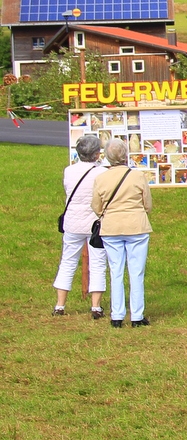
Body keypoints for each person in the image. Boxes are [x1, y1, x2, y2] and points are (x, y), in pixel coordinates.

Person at [91, 138, 153, 328]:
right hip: (136, 226)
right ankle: (137, 315)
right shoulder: (138, 176)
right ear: (126, 155)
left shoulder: (101, 178)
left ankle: (117, 315)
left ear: (107, 157)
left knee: (115, 271)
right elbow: (148, 204)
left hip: (112, 227)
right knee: (136, 272)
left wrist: (107, 214)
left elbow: (96, 206)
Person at [52, 134, 108, 318]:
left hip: (72, 222)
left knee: (67, 261)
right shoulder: (102, 172)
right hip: (95, 223)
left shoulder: (69, 170)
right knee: (98, 263)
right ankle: (96, 307)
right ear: (96, 154)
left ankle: (60, 305)